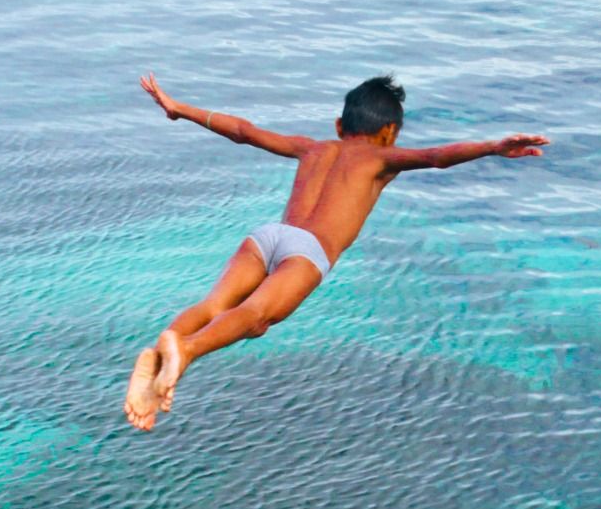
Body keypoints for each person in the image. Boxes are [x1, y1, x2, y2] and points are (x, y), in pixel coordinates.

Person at [123, 73, 549, 430]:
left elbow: (243, 131)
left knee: (215, 304)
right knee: (256, 317)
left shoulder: (313, 148)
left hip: (269, 235)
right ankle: (186, 352)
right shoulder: (382, 159)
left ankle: (158, 362)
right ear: (390, 133)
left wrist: (179, 108)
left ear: (339, 125)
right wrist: (493, 147)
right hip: (306, 252)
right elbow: (438, 156)